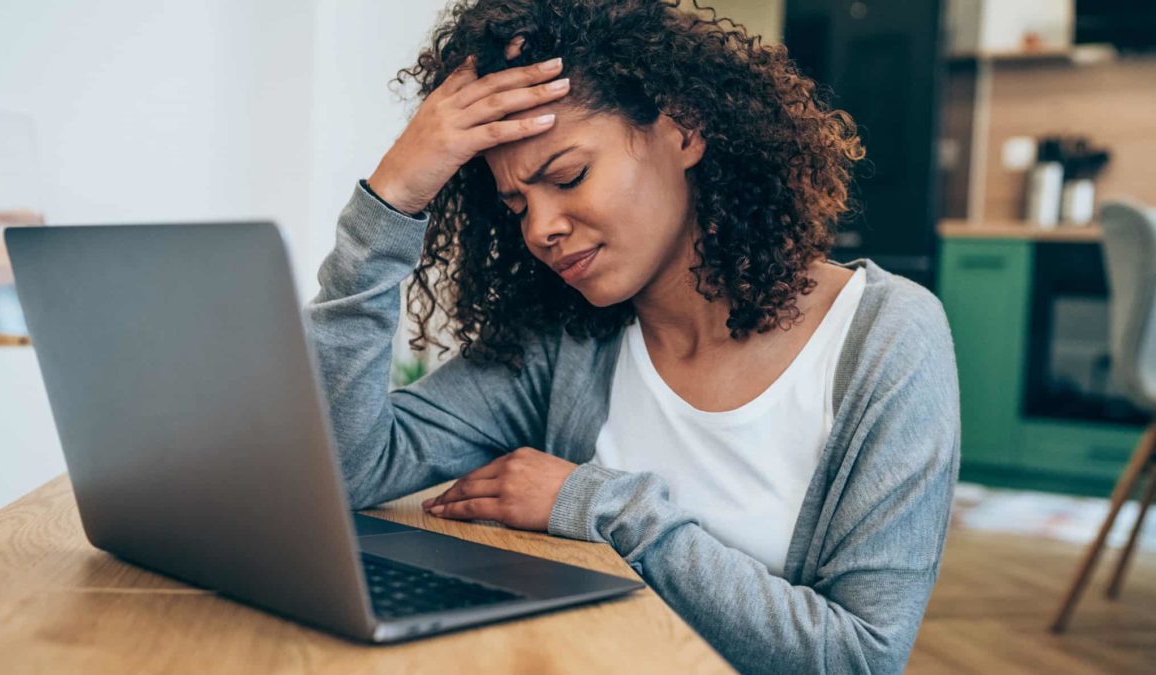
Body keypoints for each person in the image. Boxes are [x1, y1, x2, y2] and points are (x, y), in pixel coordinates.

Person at [308, 1, 960, 672]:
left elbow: (859, 657)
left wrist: (595, 504)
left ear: (684, 128)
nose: (540, 230)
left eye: (568, 177)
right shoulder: (565, 346)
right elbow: (343, 467)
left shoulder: (885, 338)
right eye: (517, 207)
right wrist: (390, 200)